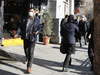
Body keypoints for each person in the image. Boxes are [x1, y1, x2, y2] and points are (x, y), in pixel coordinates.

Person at [14, 8, 41, 73]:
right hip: (26, 37)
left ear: (34, 12)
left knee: (31, 52)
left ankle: (29, 67)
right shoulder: (24, 19)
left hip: (32, 38)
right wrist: (17, 34)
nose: (30, 12)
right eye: (29, 11)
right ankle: (27, 58)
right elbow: (20, 27)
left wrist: (38, 31)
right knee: (26, 50)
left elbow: (40, 27)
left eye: (31, 11)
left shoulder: (37, 20)